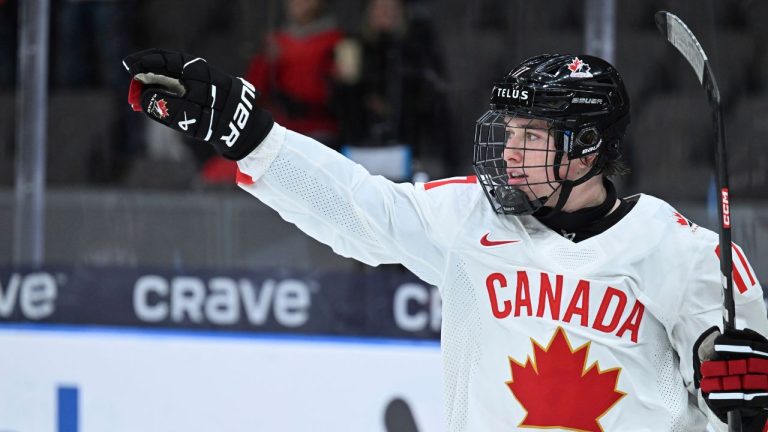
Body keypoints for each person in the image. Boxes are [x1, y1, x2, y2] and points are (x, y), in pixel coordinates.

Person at [122, 49, 768, 431]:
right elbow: (359, 209)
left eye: (532, 137)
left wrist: (737, 379)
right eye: (508, 131)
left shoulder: (682, 253)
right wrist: (256, 139)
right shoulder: (471, 220)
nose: (510, 153)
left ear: (588, 149)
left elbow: (739, 381)